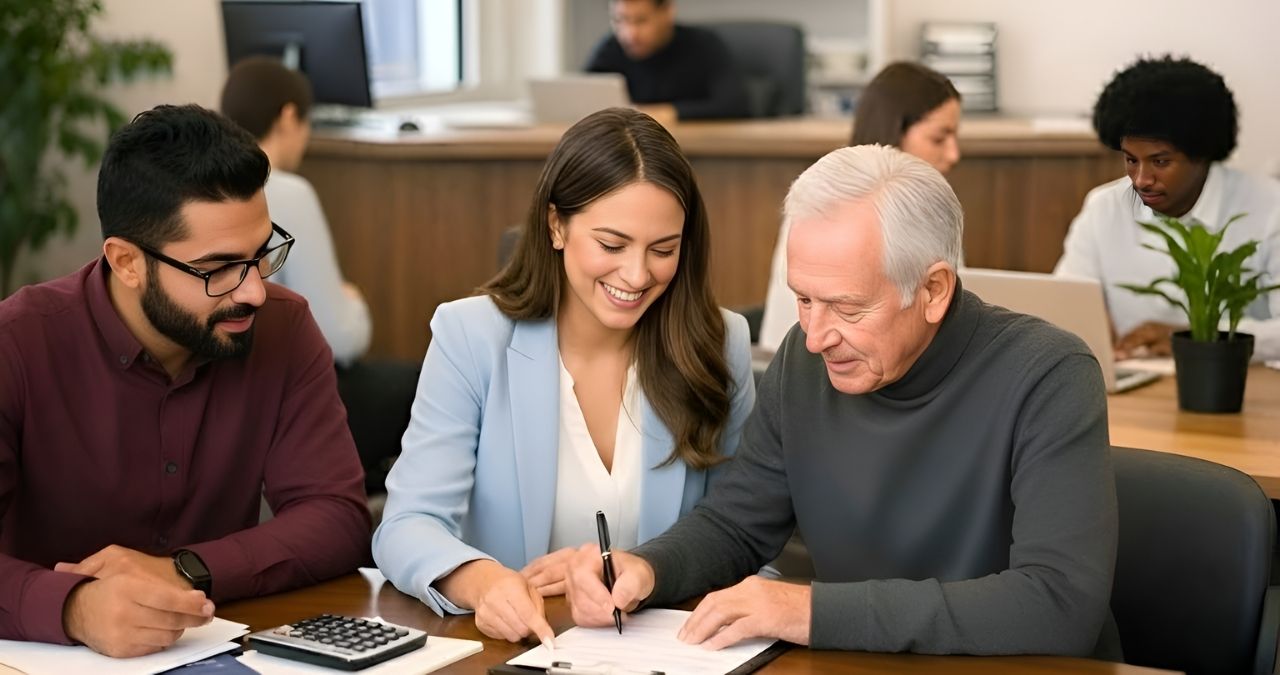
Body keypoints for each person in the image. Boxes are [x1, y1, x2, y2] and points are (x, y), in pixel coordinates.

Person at [564, 145, 1120, 659]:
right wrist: (648, 567)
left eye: (847, 308)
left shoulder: (1048, 374)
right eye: (803, 299)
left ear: (933, 291)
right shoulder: (804, 364)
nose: (815, 336)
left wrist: (812, 611)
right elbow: (738, 525)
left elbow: (1058, 604)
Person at [372, 107, 755, 645]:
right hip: (518, 647)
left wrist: (648, 570)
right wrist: (483, 582)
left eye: (663, 249)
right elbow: (406, 526)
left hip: (664, 651)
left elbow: (741, 534)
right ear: (556, 225)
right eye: (612, 245)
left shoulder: (720, 342)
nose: (637, 274)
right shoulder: (471, 336)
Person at [0, 104, 370, 656]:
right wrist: (74, 606)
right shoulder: (18, 344)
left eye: (262, 253)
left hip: (220, 653)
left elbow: (337, 519)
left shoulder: (284, 328)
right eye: (218, 268)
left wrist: (184, 570)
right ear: (126, 262)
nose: (253, 292)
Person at [220, 57, 418, 494]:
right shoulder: (285, 191)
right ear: (289, 116)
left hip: (224, 400)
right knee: (426, 382)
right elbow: (341, 340)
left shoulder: (207, 185)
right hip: (284, 402)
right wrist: (355, 301)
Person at [1055, 55, 1280, 362]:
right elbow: (1064, 306)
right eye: (1131, 160)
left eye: (1161, 162)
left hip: (1239, 394)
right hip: (1130, 394)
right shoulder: (1103, 209)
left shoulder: (1270, 209)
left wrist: (1192, 336)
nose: (1141, 180)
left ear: (1203, 154)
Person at [759, 61, 962, 350]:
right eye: (938, 138)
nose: (954, 154)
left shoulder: (927, 208)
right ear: (894, 131)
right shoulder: (824, 210)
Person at [585, 0, 750, 122]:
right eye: (620, 20)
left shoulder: (704, 45)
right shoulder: (609, 50)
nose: (630, 34)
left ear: (667, 12)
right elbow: (584, 101)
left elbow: (735, 105)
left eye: (641, 21)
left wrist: (671, 112)